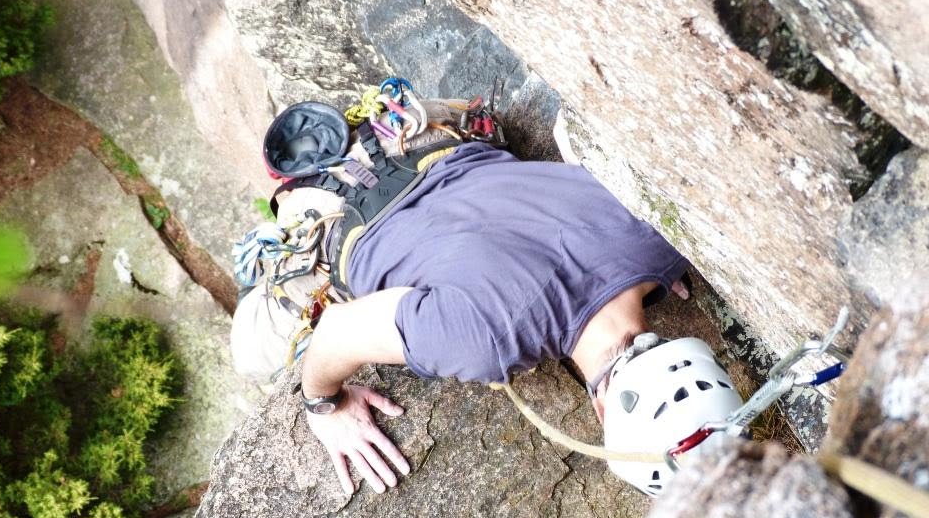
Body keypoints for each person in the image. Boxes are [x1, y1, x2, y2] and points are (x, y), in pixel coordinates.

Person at [292, 137, 692, 495]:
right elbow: (335, 331)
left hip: (418, 134)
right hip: (329, 214)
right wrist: (324, 404)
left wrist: (654, 260)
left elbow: (569, 131)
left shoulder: (668, 236)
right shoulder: (485, 342)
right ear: (602, 412)